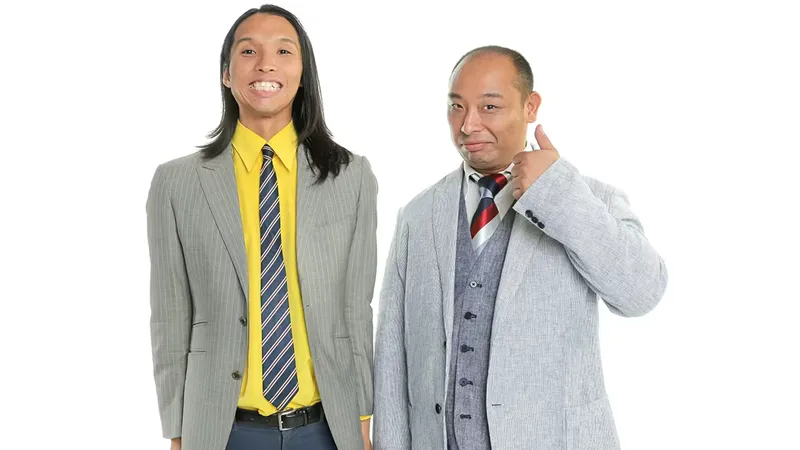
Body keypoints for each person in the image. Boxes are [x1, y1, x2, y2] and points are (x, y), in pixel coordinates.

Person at [372, 45, 668, 450]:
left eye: (489, 107)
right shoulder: (418, 215)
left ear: (530, 107)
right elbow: (392, 354)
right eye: (456, 107)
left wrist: (557, 193)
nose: (468, 125)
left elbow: (641, 293)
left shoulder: (588, 198)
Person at [146, 4, 377, 450]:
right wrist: (176, 432)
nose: (266, 64)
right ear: (226, 73)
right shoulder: (176, 182)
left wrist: (363, 417)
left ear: (303, 74)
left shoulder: (352, 176)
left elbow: (356, 309)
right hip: (222, 431)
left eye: (284, 51)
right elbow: (170, 317)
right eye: (249, 51)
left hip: (327, 429)